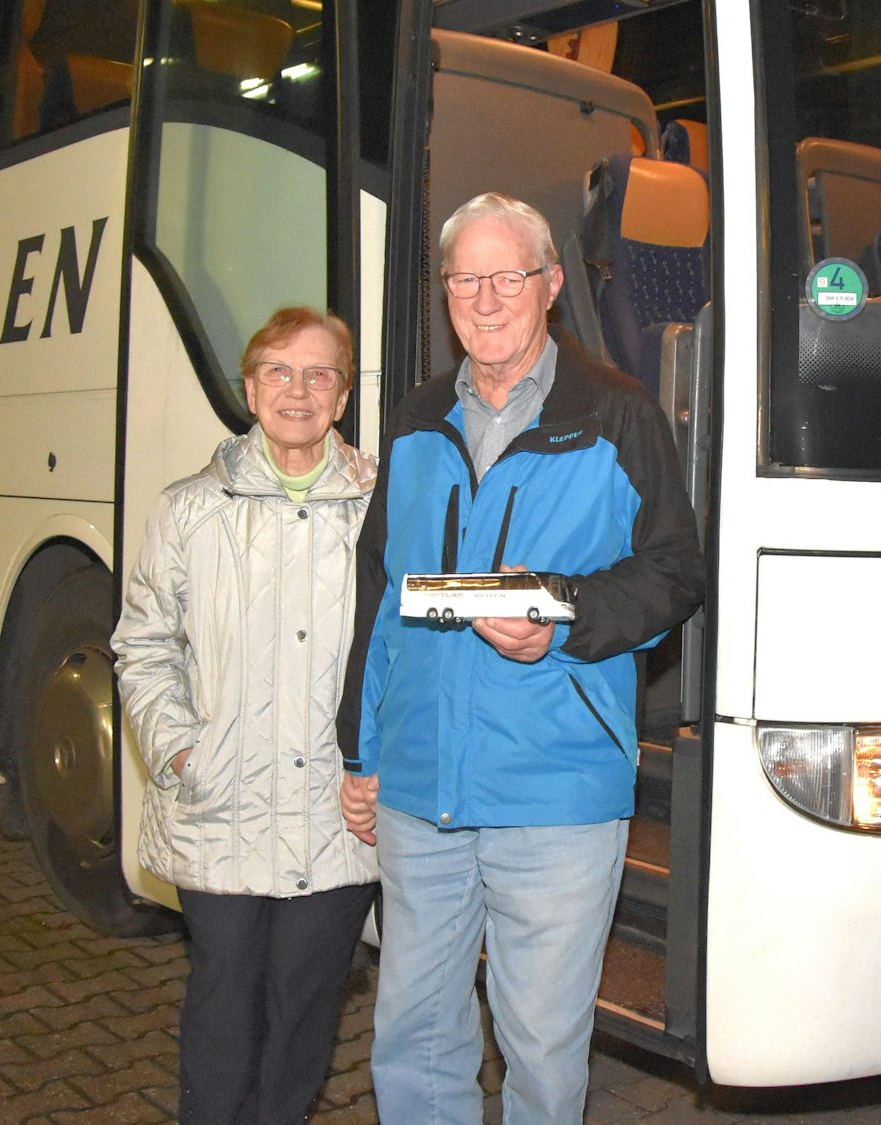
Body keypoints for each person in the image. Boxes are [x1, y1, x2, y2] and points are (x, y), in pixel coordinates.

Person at [338, 193, 704, 1122]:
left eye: (509, 275)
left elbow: (673, 573)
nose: (487, 297)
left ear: (548, 286)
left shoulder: (618, 414)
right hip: (422, 788)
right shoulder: (417, 421)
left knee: (540, 1046)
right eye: (467, 277)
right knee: (414, 1035)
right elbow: (379, 590)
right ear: (446, 293)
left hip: (556, 786)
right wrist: (360, 752)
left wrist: (565, 613)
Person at [113, 306, 379, 1125]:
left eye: (319, 374)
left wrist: (386, 764)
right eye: (279, 372)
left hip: (336, 817)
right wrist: (180, 752)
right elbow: (143, 642)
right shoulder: (190, 509)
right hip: (220, 805)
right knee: (224, 999)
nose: (298, 390)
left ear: (341, 397)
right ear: (250, 388)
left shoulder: (379, 508)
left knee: (305, 1009)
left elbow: (409, 654)